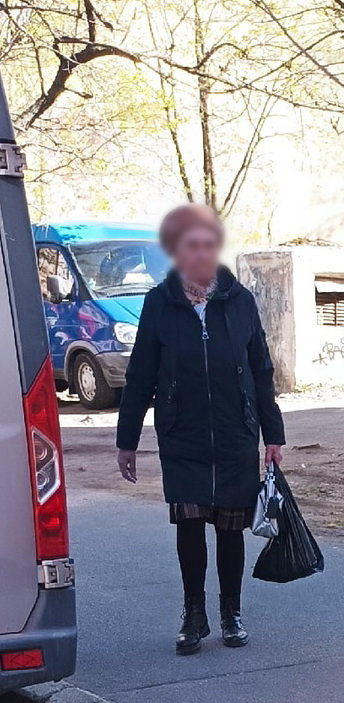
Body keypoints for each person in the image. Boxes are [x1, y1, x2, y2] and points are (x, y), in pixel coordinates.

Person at [116, 204, 285, 655]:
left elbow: (261, 369)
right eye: (192, 246)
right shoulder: (159, 303)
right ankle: (194, 613)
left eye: (209, 245)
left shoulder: (240, 300)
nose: (201, 253)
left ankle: (231, 611)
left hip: (234, 434)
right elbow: (141, 376)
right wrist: (126, 440)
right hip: (182, 434)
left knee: (230, 529)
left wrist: (273, 435)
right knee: (189, 527)